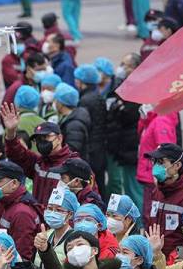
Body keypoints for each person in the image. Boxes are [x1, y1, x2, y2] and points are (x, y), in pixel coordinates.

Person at [1, 103, 79, 205]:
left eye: (46, 137)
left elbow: (87, 197)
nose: (42, 142)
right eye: (38, 139)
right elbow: (16, 153)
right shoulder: (38, 162)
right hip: (39, 218)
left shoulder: (74, 165)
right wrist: (11, 131)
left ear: (59, 138)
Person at [143, 143, 183, 257]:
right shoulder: (157, 191)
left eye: (161, 162)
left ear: (177, 165)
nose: (156, 166)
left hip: (178, 262)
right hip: (154, 257)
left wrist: (179, 259)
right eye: (155, 161)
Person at [106, 53, 143, 210]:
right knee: (129, 187)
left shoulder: (139, 89)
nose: (121, 68)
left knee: (135, 190)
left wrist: (119, 109)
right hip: (125, 146)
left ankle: (140, 223)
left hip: (132, 146)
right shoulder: (123, 85)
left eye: (126, 65)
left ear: (135, 68)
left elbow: (129, 114)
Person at [74, 64, 107, 192]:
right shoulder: (97, 96)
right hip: (100, 148)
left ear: (83, 82)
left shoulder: (85, 100)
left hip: (91, 150)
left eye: (77, 79)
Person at [53, 83, 91, 160]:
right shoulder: (68, 118)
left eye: (56, 100)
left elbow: (72, 150)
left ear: (61, 103)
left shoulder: (74, 125)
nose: (54, 102)